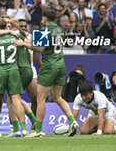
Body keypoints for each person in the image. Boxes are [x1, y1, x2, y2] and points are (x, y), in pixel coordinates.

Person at [14, 9, 79, 137]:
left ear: (44, 19)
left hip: (49, 65)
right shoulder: (60, 29)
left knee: (41, 98)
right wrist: (24, 41)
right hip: (60, 64)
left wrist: (23, 44)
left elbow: (40, 48)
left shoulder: (44, 31)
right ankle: (73, 121)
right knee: (58, 97)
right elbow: (66, 44)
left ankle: (38, 130)